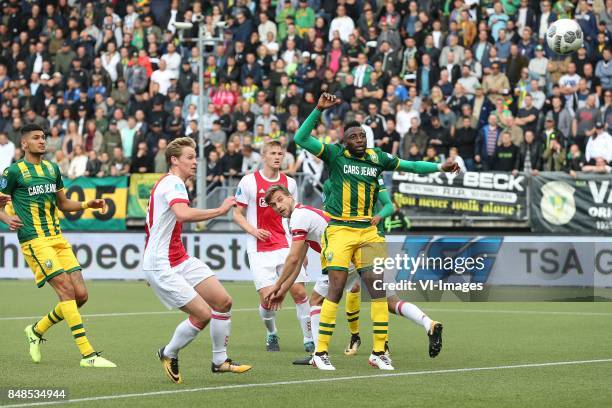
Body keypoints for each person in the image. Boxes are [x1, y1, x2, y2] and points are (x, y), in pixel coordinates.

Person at [292, 93, 458, 370]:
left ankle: (379, 352)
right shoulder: (334, 154)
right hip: (341, 230)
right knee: (335, 288)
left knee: (378, 291)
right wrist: (318, 110)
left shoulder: (376, 158)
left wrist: (440, 166)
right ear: (345, 141)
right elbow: (301, 139)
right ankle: (320, 353)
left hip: (368, 233)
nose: (359, 140)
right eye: (354, 136)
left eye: (362, 136)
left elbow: (413, 166)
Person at [264, 181, 443, 365]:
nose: (278, 206)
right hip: (365, 247)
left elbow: (293, 258)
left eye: (280, 200)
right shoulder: (302, 215)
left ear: (290, 197)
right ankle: (429, 324)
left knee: (316, 300)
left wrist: (277, 286)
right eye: (273, 205)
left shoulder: (298, 216)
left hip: (344, 254)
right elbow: (299, 260)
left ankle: (319, 354)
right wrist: (283, 290)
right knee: (390, 301)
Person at [0, 123, 115, 368]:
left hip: (58, 238)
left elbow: (63, 203)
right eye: (36, 138)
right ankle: (88, 355)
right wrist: (7, 217)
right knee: (66, 291)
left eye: (43, 137)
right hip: (34, 240)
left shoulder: (52, 169)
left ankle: (36, 330)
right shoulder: (13, 172)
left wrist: (86, 205)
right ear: (24, 144)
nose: (42, 141)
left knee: (81, 296)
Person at [144, 137, 251, 384]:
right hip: (162, 263)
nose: (195, 162)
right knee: (203, 314)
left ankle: (219, 361)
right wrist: (219, 210)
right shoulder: (173, 183)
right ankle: (168, 352)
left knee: (223, 302)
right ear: (174, 160)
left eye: (195, 157)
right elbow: (183, 214)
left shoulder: (172, 184)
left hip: (177, 258)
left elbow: (152, 226)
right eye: (190, 158)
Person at [232, 141, 313, 353]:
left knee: (299, 292)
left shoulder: (290, 183)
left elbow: (296, 216)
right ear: (264, 156)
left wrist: (301, 247)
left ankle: (309, 339)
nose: (277, 157)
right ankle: (271, 332)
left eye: (280, 153)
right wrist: (253, 230)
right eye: (273, 153)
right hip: (259, 249)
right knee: (268, 301)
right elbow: (236, 214)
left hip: (286, 244)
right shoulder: (249, 181)